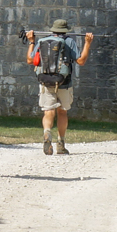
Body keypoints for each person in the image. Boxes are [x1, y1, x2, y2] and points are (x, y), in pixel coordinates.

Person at [27, 19, 93, 155]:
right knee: (62, 112)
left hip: (45, 82)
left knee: (48, 111)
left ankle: (47, 134)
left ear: (53, 29)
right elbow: (81, 61)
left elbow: (30, 60)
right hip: (64, 82)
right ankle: (61, 144)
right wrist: (87, 43)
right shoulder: (69, 42)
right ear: (66, 30)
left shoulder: (42, 41)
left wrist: (32, 41)